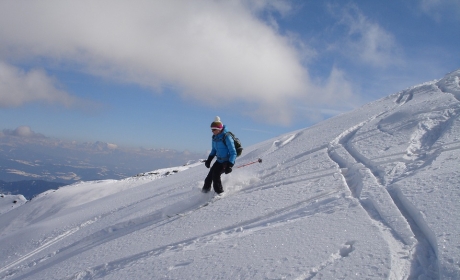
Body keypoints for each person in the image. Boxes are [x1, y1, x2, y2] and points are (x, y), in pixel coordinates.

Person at [202, 116, 237, 194]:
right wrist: (209, 160)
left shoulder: (227, 137)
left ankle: (220, 194)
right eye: (212, 129)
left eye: (214, 129)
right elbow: (214, 150)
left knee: (215, 175)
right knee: (208, 178)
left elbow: (233, 152)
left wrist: (230, 165)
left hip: (226, 162)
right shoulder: (215, 137)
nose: (212, 131)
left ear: (219, 129)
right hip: (219, 161)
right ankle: (204, 194)